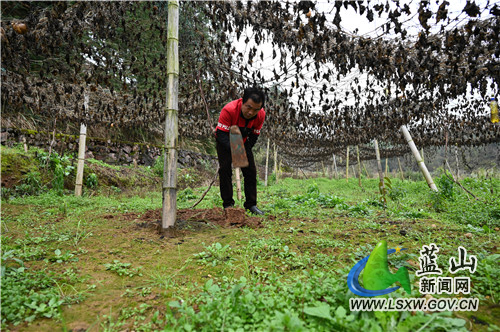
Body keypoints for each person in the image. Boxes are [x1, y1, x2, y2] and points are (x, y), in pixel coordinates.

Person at [215, 87, 266, 215]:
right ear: (242, 101)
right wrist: (234, 150)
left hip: (243, 141)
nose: (251, 112)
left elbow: (254, 136)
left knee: (250, 171)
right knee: (225, 169)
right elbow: (220, 135)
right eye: (248, 107)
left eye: (255, 109)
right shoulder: (229, 110)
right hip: (225, 139)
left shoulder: (260, 115)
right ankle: (228, 205)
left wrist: (243, 150)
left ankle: (251, 205)